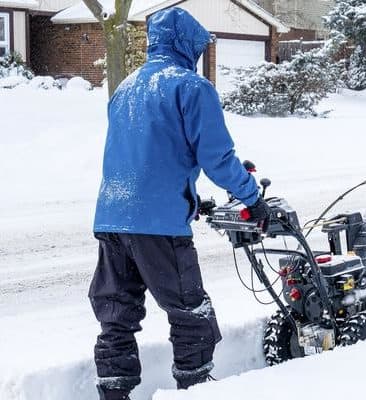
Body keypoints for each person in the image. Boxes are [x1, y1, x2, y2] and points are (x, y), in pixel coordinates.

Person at [90, 8, 269, 400]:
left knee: (116, 316)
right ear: (188, 44)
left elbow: (144, 153)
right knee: (191, 312)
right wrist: (252, 198)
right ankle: (194, 390)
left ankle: (114, 393)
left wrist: (189, 196)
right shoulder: (191, 87)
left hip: (112, 217)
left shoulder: (127, 88)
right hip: (159, 224)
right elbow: (218, 159)